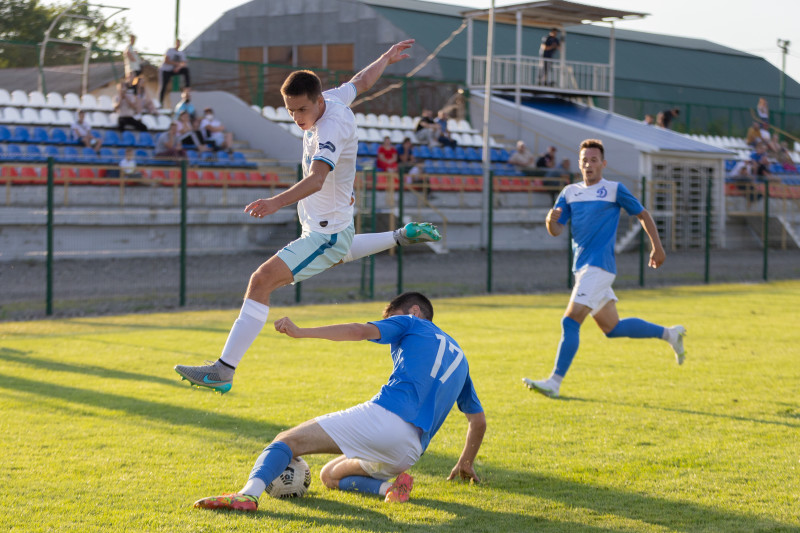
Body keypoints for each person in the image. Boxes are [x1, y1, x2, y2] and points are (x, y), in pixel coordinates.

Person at [174, 40, 443, 394]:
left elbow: (316, 180)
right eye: (290, 112)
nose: (298, 118)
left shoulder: (330, 128)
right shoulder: (330, 98)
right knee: (335, 250)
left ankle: (224, 370)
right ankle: (399, 235)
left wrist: (274, 202)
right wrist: (385, 58)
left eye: (301, 110)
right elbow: (361, 82)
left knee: (261, 280)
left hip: (325, 232)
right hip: (330, 227)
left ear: (318, 101)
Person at [192, 292, 486, 511]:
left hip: (385, 419)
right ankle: (390, 487)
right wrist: (466, 461)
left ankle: (248, 494)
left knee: (286, 440)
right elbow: (478, 420)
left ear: (414, 311)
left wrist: (301, 331)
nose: (388, 328)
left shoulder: (410, 322)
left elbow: (359, 331)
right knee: (329, 475)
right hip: (408, 453)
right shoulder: (461, 358)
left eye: (390, 319)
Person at [522, 139, 687, 399]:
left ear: (603, 164)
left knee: (570, 320)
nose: (589, 164)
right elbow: (556, 231)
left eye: (594, 160)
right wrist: (549, 221)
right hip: (583, 269)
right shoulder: (569, 192)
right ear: (579, 164)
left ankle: (554, 381)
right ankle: (670, 334)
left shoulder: (613, 189)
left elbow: (643, 214)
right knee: (612, 328)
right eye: (584, 160)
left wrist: (657, 246)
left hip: (599, 267)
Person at [158, 38, 191, 107]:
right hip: (166, 70)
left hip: (174, 70)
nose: (178, 45)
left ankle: (187, 87)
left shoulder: (181, 53)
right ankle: (160, 102)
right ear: (175, 44)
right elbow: (166, 60)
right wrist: (176, 64)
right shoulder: (170, 50)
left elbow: (184, 63)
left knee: (185, 70)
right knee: (163, 86)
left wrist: (178, 67)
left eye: (179, 43)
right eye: (177, 43)